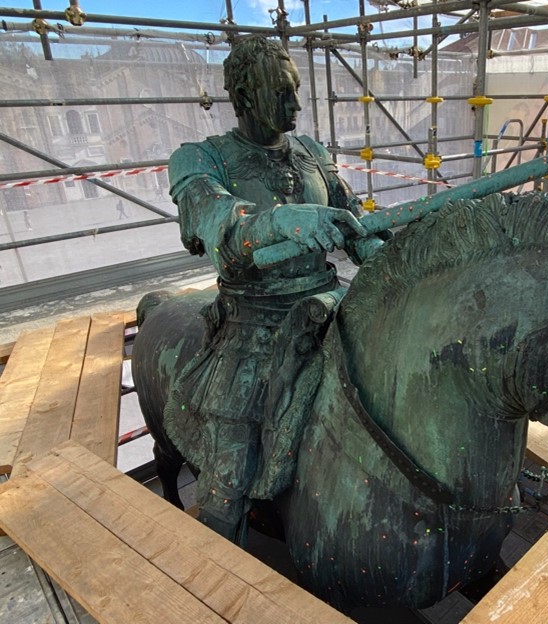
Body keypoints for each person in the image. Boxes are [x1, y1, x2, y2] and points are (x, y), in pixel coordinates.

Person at [163, 35, 380, 545]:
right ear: (242, 93)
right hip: (255, 322)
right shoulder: (199, 160)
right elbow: (216, 223)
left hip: (329, 300)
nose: (297, 105)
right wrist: (285, 221)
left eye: (297, 90)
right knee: (231, 468)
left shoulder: (312, 152)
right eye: (281, 92)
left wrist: (388, 245)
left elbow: (356, 222)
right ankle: (220, 549)